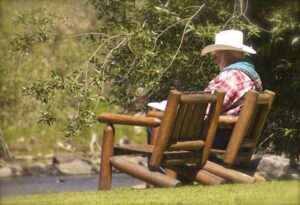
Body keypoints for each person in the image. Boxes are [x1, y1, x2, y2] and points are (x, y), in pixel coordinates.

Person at [201, 29, 263, 149]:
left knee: (156, 126)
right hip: (231, 137)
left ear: (226, 54)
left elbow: (204, 108)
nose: (215, 61)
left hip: (217, 137)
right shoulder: (251, 75)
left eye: (216, 55)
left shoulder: (232, 76)